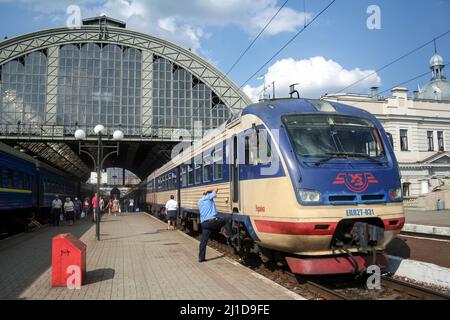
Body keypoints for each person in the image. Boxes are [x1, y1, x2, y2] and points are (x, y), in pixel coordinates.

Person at [197, 188, 234, 262]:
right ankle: (231, 236)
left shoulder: (200, 201)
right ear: (209, 194)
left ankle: (201, 258)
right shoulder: (208, 198)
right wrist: (207, 190)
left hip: (204, 224)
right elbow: (216, 189)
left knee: (203, 241)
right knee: (226, 219)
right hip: (212, 222)